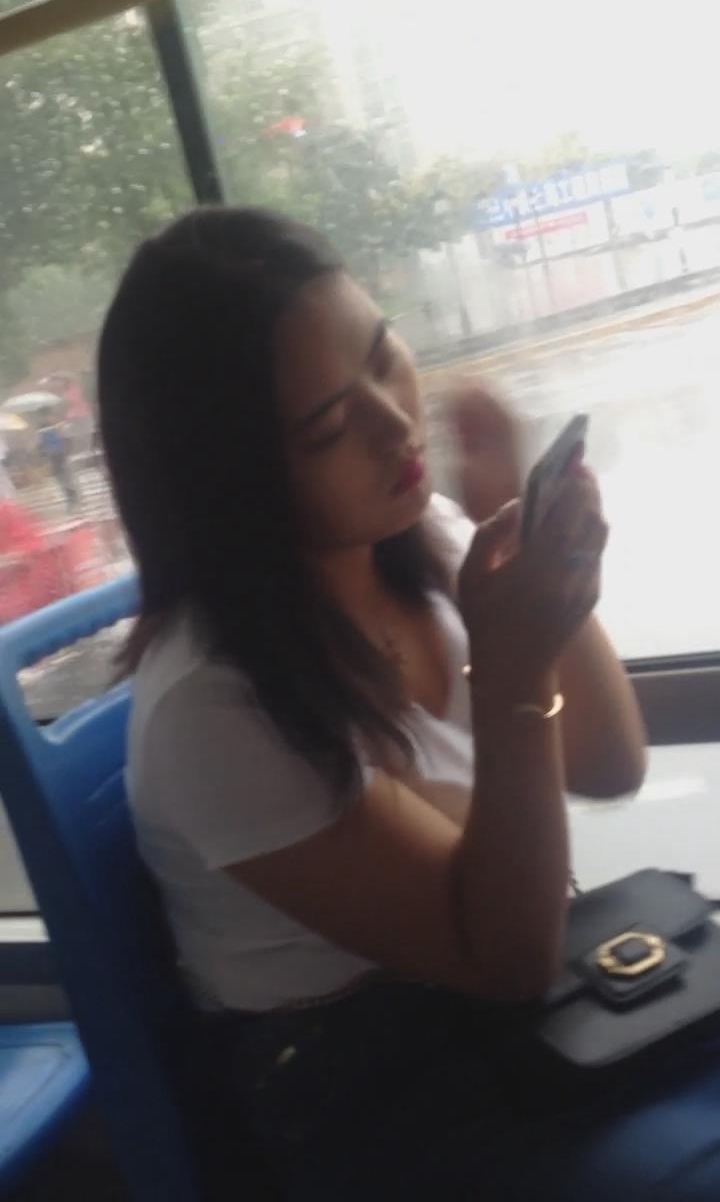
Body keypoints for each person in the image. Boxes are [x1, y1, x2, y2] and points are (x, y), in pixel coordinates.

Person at [99, 207, 720, 1199]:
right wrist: (513, 675)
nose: (395, 423)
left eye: (384, 356)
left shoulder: (423, 539)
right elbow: (506, 956)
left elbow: (611, 765)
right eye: (329, 427)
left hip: (524, 1027)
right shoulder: (212, 711)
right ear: (232, 483)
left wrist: (539, 558)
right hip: (382, 1094)